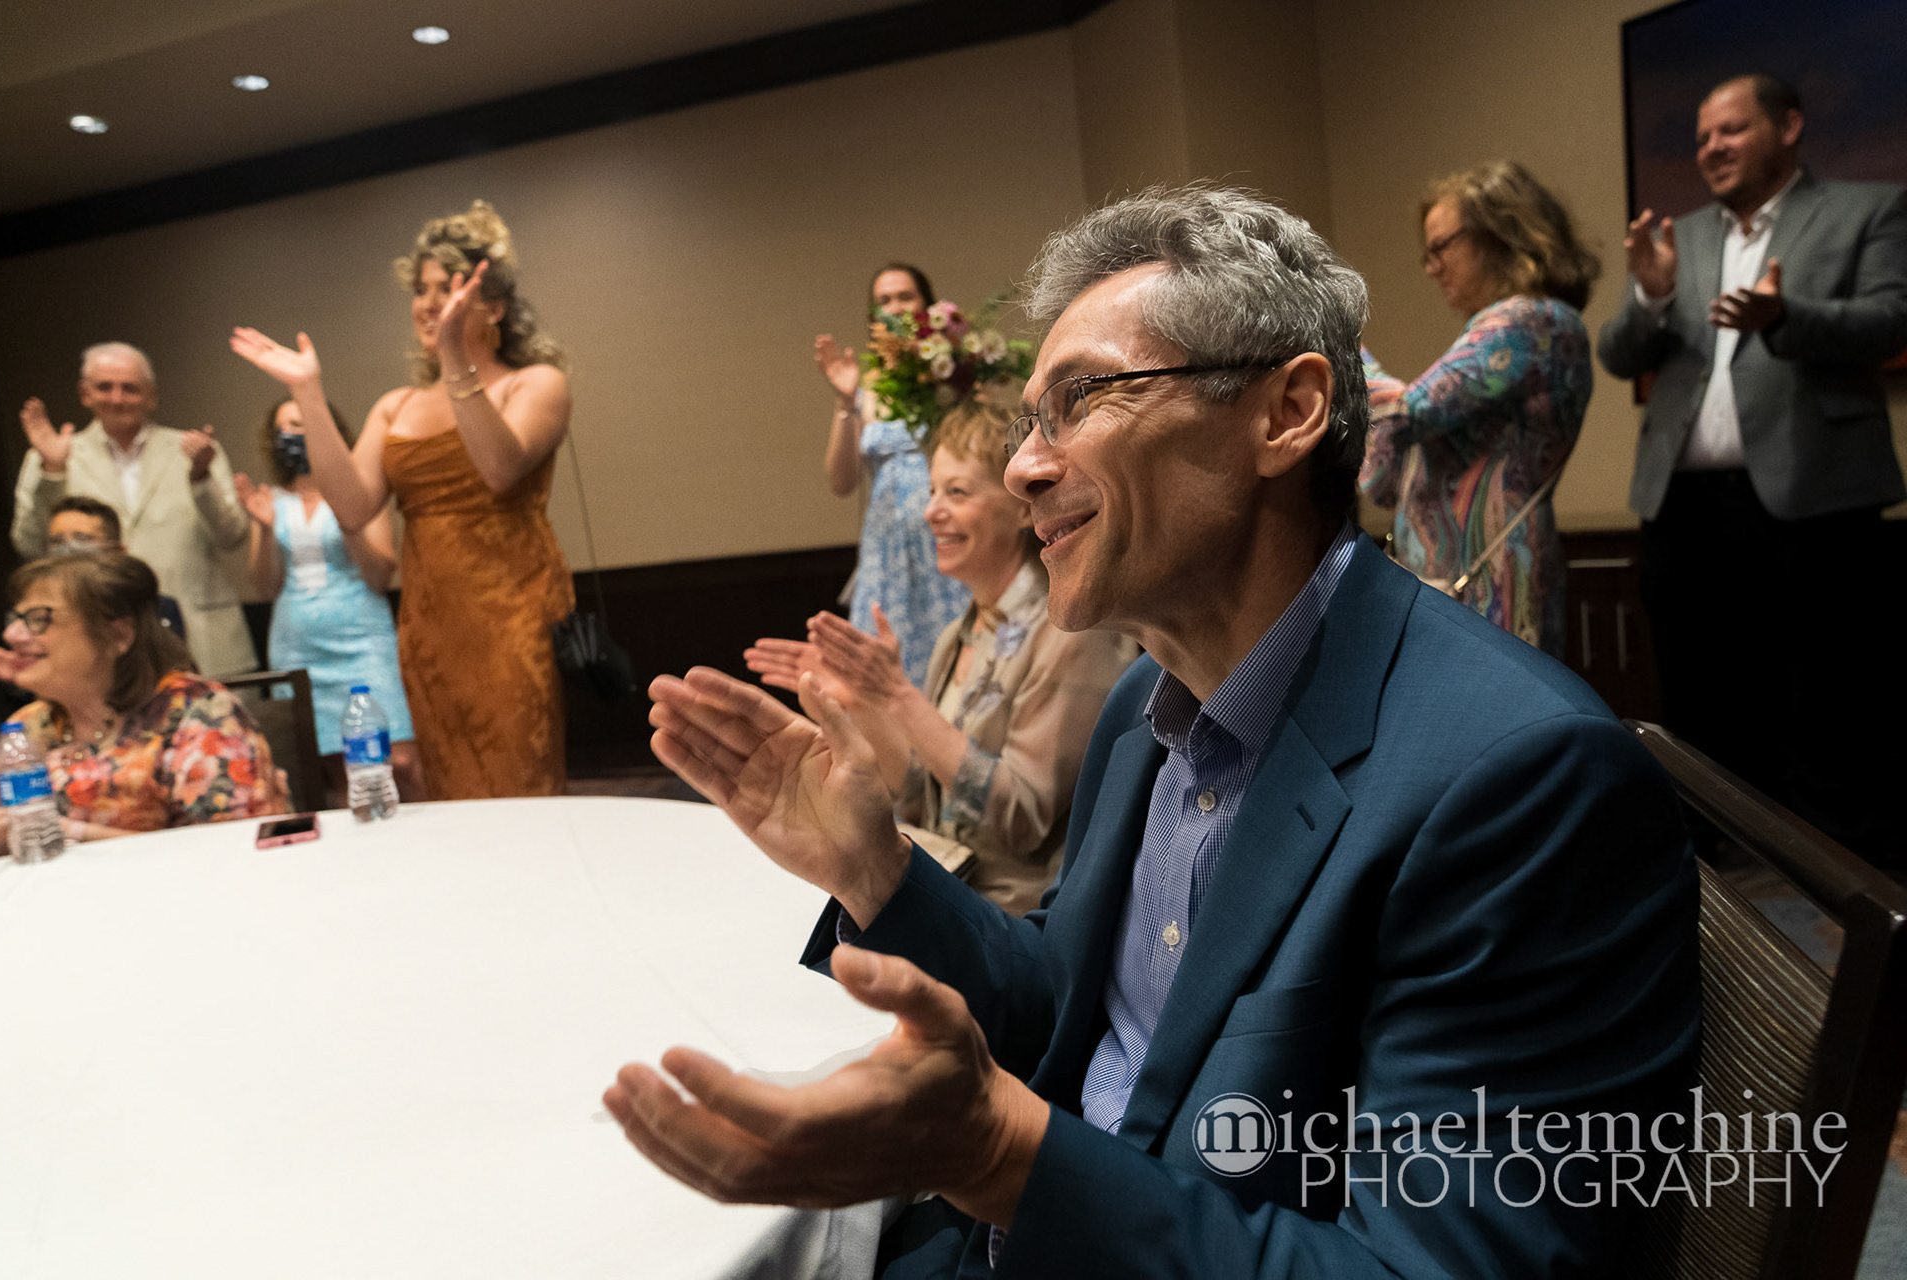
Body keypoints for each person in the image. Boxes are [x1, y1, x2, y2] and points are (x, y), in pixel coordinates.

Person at [611, 187, 1699, 1276]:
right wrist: (876, 867)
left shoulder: (1519, 778)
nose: (1024, 467)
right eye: (1034, 418)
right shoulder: (1147, 703)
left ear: (1287, 413)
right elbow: (1073, 1004)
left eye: (1083, 397)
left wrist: (1003, 1155)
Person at [1597, 73, 1907, 860]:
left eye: (1730, 130)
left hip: (1816, 506)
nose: (1711, 148)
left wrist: (1786, 317)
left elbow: (1889, 319)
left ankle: (1839, 905)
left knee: (1826, 710)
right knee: (1700, 707)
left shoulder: (1865, 210)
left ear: (1790, 126)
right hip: (1685, 509)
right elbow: (1619, 353)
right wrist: (1654, 296)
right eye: (1702, 136)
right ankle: (1715, 880)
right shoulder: (1682, 235)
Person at [229, 200, 575, 799]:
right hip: (426, 629)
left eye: (450, 287)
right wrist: (308, 394)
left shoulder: (536, 384)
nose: (429, 301)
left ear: (493, 307)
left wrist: (453, 358)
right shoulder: (397, 407)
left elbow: (498, 469)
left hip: (509, 618)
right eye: (422, 289)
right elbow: (354, 508)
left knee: (516, 778)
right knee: (441, 790)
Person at [747, 402, 1137, 915]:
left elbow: (1020, 819)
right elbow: (918, 800)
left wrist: (899, 697)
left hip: (1023, 920)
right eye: (932, 491)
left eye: (957, 492)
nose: (931, 511)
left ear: (1022, 508)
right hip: (954, 893)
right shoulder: (959, 634)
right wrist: (864, 704)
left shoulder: (1072, 634)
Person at [1359, 161, 1599, 658]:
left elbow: (1409, 411)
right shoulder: (1519, 325)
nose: (1431, 267)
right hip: (1465, 577)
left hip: (1492, 583)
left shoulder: (1532, 320)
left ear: (1499, 233)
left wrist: (1337, 344)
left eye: (1441, 247)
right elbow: (1387, 477)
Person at [0, 552, 285, 856]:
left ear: (118, 636)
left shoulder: (201, 715)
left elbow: (229, 853)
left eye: (38, 619)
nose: (11, 635)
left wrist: (67, 833)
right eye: (16, 619)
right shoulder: (28, 727)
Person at [11, 342, 256, 676]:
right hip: (101, 641)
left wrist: (200, 479)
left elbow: (233, 536)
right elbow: (29, 545)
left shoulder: (192, 450)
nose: (117, 397)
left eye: (130, 388)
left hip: (204, 640)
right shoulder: (55, 455)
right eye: (104, 387)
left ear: (151, 396)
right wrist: (52, 473)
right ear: (84, 393)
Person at [236, 397, 424, 801]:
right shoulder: (270, 502)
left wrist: (350, 522)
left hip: (363, 640)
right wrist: (265, 529)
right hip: (297, 646)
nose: (298, 435)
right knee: (338, 774)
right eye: (289, 426)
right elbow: (265, 588)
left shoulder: (362, 493)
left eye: (308, 424)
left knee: (401, 764)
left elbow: (379, 575)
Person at [817, 264, 972, 685]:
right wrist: (845, 403)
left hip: (946, 536)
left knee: (958, 663)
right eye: (883, 300)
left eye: (905, 296)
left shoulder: (949, 375)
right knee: (885, 670)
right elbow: (842, 482)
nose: (894, 307)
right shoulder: (863, 386)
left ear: (927, 305)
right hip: (888, 548)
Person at [44, 494, 187, 639]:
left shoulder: (153, 610)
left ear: (118, 553)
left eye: (82, 539)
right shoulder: (39, 612)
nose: (68, 549)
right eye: (57, 541)